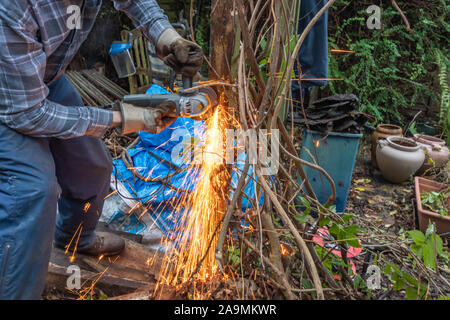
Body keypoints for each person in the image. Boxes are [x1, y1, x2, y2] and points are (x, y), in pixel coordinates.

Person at [0, 0, 203, 300]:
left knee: (93, 166)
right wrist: (122, 117)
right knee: (33, 190)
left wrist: (166, 37)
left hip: (43, 77)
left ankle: (74, 239)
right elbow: (28, 115)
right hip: (11, 100)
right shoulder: (14, 9)